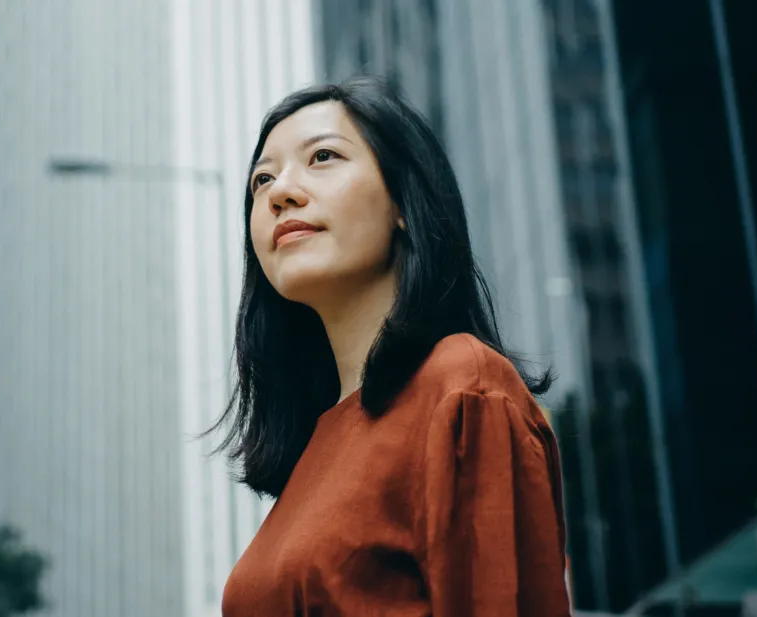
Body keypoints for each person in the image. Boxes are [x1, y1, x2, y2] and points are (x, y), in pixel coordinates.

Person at [217, 77, 572, 616]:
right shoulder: (316, 443)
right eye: (262, 179)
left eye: (323, 156)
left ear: (403, 202)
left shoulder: (464, 387)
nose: (279, 192)